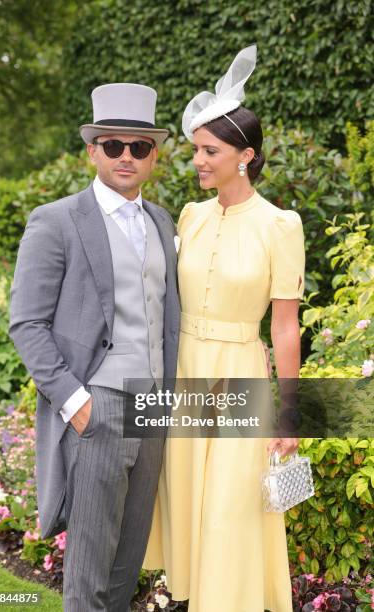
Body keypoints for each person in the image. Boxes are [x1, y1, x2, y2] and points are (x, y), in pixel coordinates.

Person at [144, 45, 305, 611]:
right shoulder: (191, 214)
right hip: (187, 369)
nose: (197, 162)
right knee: (189, 497)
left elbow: (285, 327)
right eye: (196, 151)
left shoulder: (280, 226)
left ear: (246, 156)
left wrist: (290, 411)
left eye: (209, 152)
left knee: (231, 506)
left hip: (239, 371)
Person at [9, 83, 180, 612]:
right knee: (87, 574)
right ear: (92, 150)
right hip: (97, 402)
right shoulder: (56, 221)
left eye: (140, 147)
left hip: (153, 404)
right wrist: (75, 401)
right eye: (113, 146)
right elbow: (26, 323)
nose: (126, 156)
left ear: (153, 155)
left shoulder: (162, 222)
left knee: (128, 564)